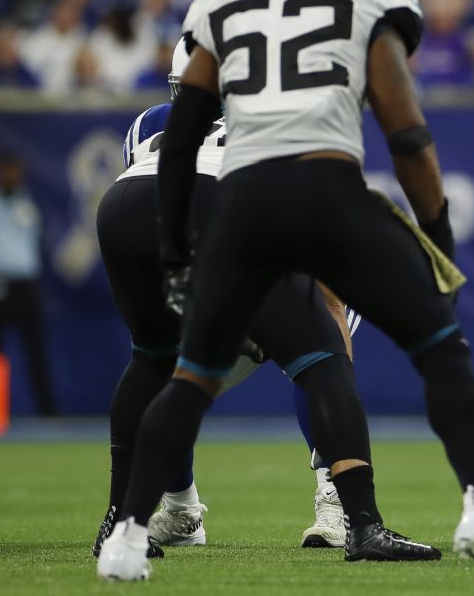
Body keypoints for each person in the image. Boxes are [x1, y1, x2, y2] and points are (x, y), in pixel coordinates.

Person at [96, 0, 474, 582]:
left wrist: (176, 248)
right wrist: (437, 242)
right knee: (430, 347)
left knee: (183, 373)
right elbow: (409, 135)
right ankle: (469, 510)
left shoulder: (220, 1)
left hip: (236, 204)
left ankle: (125, 535)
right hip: (322, 187)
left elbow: (177, 147)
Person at [91, 40, 367, 562]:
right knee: (178, 369)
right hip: (212, 266)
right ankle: (179, 506)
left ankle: (331, 494)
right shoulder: (157, 124)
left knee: (320, 340)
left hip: (273, 263)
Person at [0, 153, 57, 416]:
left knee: (36, 351)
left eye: (14, 171)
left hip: (24, 285)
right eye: (5, 171)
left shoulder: (30, 205)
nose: (10, 176)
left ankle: (48, 415)